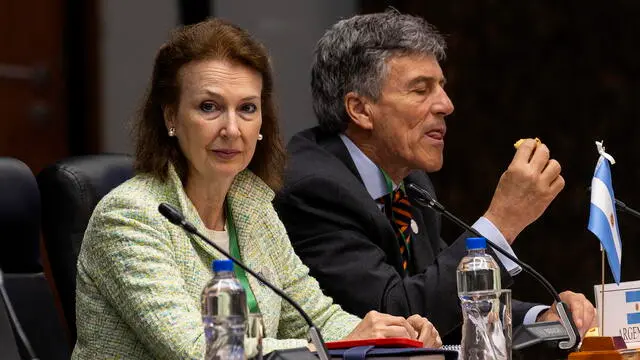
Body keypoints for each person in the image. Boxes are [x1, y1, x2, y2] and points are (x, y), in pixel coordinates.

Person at [71, 18, 442, 359]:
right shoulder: (131, 216)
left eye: (247, 108)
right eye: (209, 107)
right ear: (170, 116)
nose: (232, 129)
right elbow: (200, 349)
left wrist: (388, 334)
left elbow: (314, 314)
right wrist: (332, 344)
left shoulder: (253, 206)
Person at [273, 11, 596, 343]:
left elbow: (443, 299)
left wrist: (540, 317)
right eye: (420, 90)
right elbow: (397, 316)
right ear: (360, 109)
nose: (446, 105)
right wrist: (503, 221)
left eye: (441, 87)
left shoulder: (410, 184)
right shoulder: (312, 188)